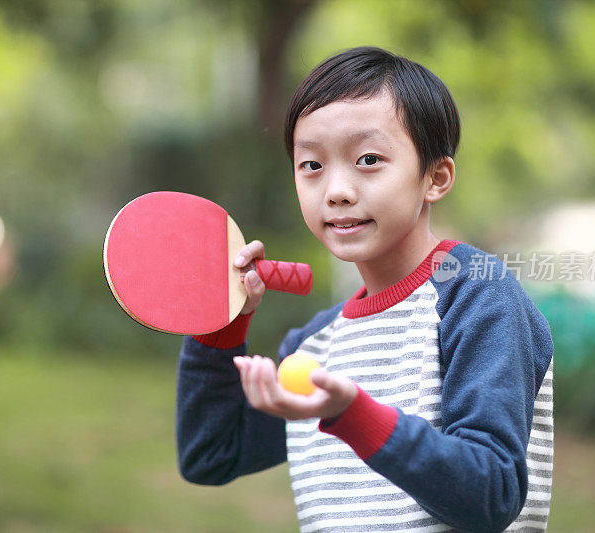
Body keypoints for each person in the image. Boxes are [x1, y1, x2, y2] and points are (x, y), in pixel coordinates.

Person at [175, 46, 554, 532]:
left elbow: (491, 495)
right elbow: (211, 453)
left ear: (435, 178)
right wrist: (222, 323)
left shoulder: (477, 299)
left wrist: (352, 415)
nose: (336, 190)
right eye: (312, 165)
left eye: (368, 159)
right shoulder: (312, 348)